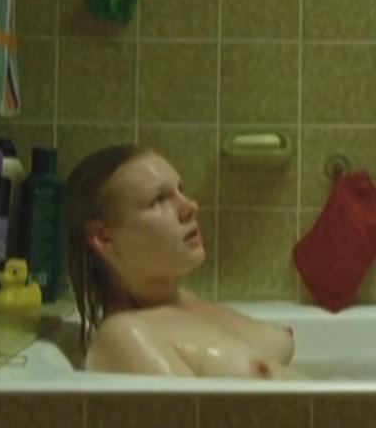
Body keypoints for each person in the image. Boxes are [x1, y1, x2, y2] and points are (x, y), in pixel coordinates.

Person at [64, 144, 300, 378]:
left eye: (180, 190)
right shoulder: (125, 337)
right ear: (103, 237)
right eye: (158, 200)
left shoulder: (183, 302)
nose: (190, 206)